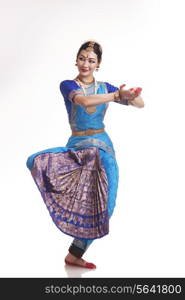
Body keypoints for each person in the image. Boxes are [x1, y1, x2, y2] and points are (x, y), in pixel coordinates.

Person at [26, 40, 144, 269]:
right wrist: (117, 95)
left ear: (98, 64)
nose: (85, 64)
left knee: (106, 207)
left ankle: (74, 254)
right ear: (76, 59)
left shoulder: (106, 87)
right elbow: (84, 101)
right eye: (82, 58)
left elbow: (140, 104)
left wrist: (130, 94)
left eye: (91, 60)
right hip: (78, 149)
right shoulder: (68, 85)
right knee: (35, 161)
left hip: (103, 150)